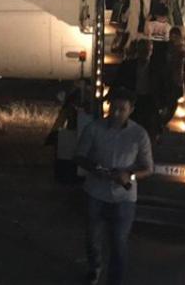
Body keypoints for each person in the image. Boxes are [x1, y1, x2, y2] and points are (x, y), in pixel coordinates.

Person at [75, 87, 153, 285]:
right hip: (95, 192)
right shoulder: (94, 128)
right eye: (114, 108)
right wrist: (96, 169)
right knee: (92, 238)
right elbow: (79, 156)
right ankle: (95, 267)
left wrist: (130, 176)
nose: (117, 113)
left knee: (118, 243)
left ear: (131, 109)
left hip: (124, 199)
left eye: (122, 109)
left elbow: (148, 168)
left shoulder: (139, 134)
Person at [161, 27, 185, 126]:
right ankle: (163, 121)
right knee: (171, 100)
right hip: (173, 78)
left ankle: (163, 122)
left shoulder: (178, 49)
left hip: (174, 78)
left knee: (171, 101)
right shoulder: (177, 48)